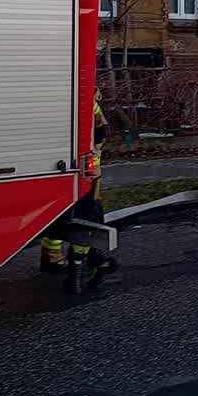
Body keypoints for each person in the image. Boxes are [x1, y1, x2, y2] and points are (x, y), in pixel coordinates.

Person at [41, 89, 118, 291]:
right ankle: (76, 271)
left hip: (63, 169)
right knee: (87, 220)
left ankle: (56, 261)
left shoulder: (64, 100)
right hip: (85, 172)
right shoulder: (86, 102)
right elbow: (100, 133)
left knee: (60, 215)